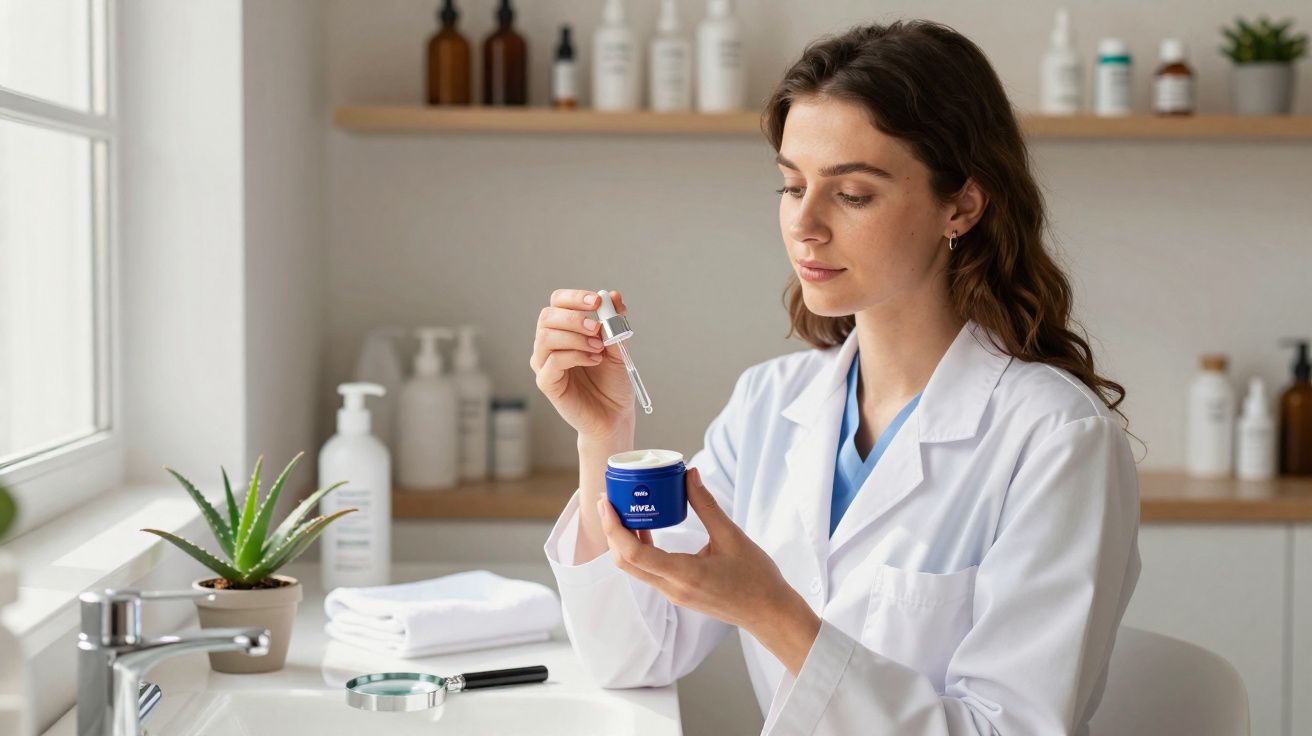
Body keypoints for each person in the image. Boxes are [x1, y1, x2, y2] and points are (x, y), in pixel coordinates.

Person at [528, 19, 1140, 735]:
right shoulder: (768, 404)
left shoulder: (1057, 440)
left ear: (962, 205)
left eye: (852, 194)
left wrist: (771, 610)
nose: (805, 226)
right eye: (792, 186)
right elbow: (634, 654)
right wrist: (605, 437)